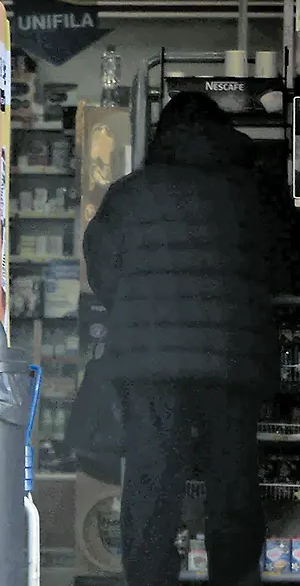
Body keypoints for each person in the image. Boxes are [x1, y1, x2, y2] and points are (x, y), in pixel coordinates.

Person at [83, 91, 278, 586]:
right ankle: (234, 577)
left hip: (148, 363)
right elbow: (284, 261)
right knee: (231, 479)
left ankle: (150, 579)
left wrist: (135, 307)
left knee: (152, 479)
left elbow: (101, 264)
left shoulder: (130, 192)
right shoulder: (254, 190)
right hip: (233, 357)